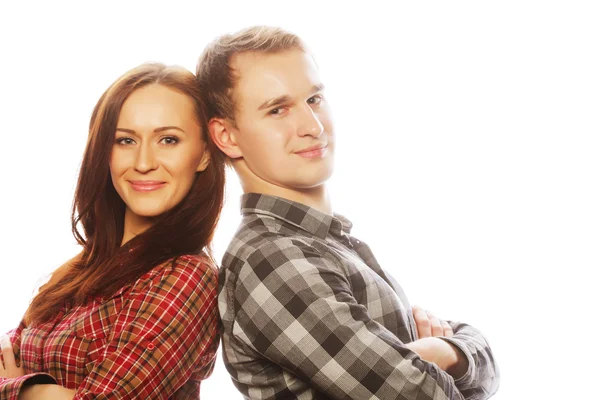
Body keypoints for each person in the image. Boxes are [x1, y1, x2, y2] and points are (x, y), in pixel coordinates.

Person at [196, 26, 499, 399]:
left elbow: (481, 361)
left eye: (314, 99)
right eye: (278, 109)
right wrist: (439, 360)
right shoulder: (273, 258)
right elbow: (421, 394)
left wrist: (446, 352)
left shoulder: (321, 243)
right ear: (227, 136)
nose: (313, 126)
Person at [0, 63, 226, 399]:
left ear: (205, 154)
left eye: (168, 139)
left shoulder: (187, 277)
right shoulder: (80, 269)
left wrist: (16, 390)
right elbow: (8, 353)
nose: (144, 162)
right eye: (125, 140)